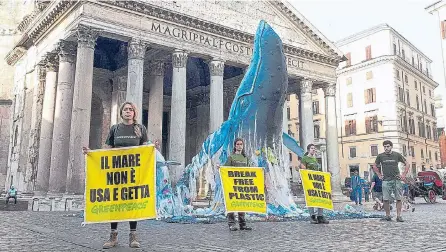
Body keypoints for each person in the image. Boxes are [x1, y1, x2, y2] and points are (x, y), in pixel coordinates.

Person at [83, 101, 148, 249]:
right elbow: (107, 149)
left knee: (133, 203)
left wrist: (152, 148)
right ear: (121, 113)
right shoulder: (115, 129)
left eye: (131, 109)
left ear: (134, 113)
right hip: (116, 171)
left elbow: (145, 148)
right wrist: (91, 153)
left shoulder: (140, 129)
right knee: (115, 202)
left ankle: (133, 236)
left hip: (133, 171)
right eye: (125, 109)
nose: (128, 111)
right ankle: (113, 236)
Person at [372, 140, 409, 222]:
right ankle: (387, 215)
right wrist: (379, 175)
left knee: (398, 198)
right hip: (386, 180)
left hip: (396, 179)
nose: (386, 148)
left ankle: (399, 216)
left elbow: (407, 164)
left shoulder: (397, 155)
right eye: (384, 147)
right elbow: (374, 166)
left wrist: (403, 174)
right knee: (385, 199)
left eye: (388, 146)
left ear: (391, 147)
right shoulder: (380, 156)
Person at [223, 138, 253, 231]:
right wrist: (220, 167)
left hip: (243, 185)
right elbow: (226, 169)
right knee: (231, 204)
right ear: (235, 146)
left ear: (243, 146)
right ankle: (231, 224)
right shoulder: (231, 157)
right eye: (238, 144)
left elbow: (250, 170)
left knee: (242, 204)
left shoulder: (246, 158)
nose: (239, 146)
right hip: (232, 184)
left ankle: (242, 224)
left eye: (241, 144)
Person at [299, 144, 329, 224]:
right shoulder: (304, 159)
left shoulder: (315, 159)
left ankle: (320, 216)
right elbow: (303, 170)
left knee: (321, 197)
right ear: (308, 150)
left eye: (314, 148)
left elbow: (318, 171)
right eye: (312, 148)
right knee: (310, 198)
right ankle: (312, 216)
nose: (314, 150)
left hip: (317, 182)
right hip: (309, 183)